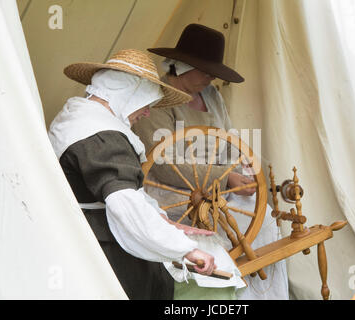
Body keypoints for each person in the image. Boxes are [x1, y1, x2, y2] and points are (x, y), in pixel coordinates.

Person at [48, 49, 244, 300]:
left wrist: (164, 222)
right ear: (128, 95)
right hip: (104, 249)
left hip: (87, 234)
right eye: (146, 104)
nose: (147, 113)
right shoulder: (102, 137)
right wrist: (185, 250)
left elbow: (130, 194)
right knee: (204, 284)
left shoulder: (77, 117)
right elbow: (125, 203)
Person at [133, 24, 289, 300]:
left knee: (261, 213)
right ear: (181, 66)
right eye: (204, 70)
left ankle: (265, 294)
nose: (209, 77)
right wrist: (224, 178)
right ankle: (231, 293)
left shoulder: (212, 96)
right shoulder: (158, 99)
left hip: (216, 189)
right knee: (232, 225)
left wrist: (239, 173)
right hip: (174, 194)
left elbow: (229, 141)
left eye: (212, 72)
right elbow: (163, 164)